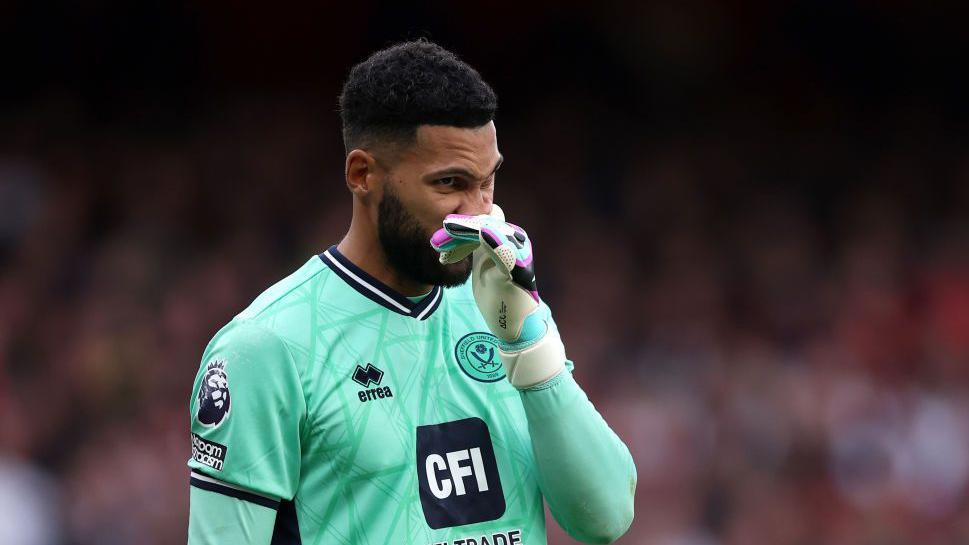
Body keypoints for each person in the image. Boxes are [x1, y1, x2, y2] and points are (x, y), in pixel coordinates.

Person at [187, 39, 636, 545]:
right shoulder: (267, 347)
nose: (478, 213)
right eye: (450, 184)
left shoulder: (503, 309)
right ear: (363, 175)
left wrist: (530, 346)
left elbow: (605, 517)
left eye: (487, 183)